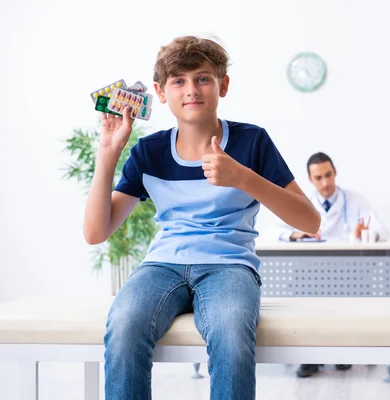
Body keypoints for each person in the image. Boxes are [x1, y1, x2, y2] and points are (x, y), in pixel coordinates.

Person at [83, 36, 320, 400]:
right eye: (179, 81)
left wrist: (243, 177)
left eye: (203, 78)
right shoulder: (150, 151)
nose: (191, 90)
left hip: (229, 266)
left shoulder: (251, 142)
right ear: (161, 92)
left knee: (230, 331)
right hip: (163, 264)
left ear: (223, 85)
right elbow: (96, 232)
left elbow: (310, 222)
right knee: (125, 324)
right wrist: (108, 153)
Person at [273, 152, 388, 378]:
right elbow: (275, 231)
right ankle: (309, 359)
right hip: (310, 270)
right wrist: (297, 234)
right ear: (310, 179)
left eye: (328, 175)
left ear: (335, 173)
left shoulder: (357, 200)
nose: (325, 183)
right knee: (305, 307)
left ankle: (341, 352)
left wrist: (367, 233)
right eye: (318, 178)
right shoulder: (302, 202)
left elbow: (382, 231)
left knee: (342, 308)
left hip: (348, 270)